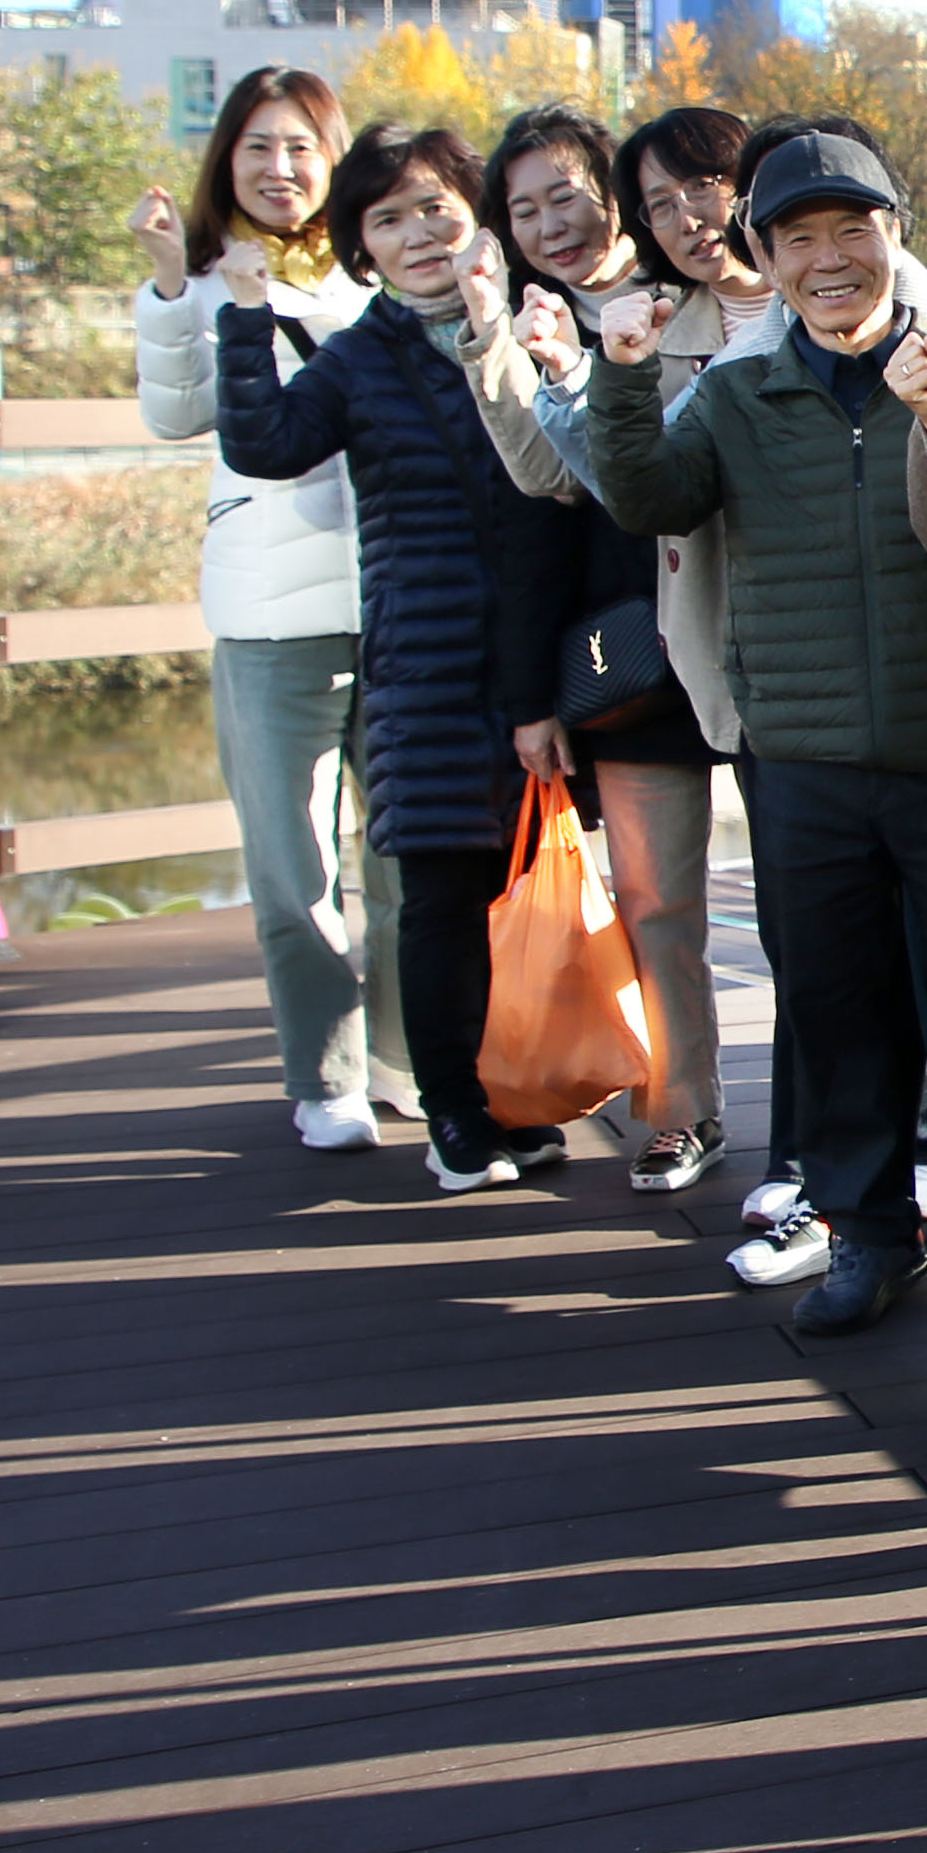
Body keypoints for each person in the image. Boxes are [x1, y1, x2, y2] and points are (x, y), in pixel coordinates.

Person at [578, 128, 927, 1339]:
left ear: (896, 238)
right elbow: (648, 498)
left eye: (854, 229)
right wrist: (626, 376)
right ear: (766, 258)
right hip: (799, 756)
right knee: (837, 1010)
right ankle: (867, 1239)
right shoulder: (738, 391)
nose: (829, 259)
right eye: (798, 239)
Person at [209, 122, 585, 1195]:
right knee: (437, 894)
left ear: (475, 217)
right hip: (422, 663)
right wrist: (244, 317)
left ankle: (513, 1097)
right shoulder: (359, 356)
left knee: (525, 881)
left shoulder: (528, 322)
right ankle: (454, 1120)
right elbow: (267, 443)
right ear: (359, 247)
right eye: (386, 219)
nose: (417, 234)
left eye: (434, 208)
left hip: (538, 650)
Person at [129, 66, 397, 1151]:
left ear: (333, 160)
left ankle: (407, 1062)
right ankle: (323, 1075)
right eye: (258, 148)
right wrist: (165, 289)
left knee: (406, 862)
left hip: (399, 602)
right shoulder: (197, 284)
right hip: (267, 611)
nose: (280, 170)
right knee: (293, 867)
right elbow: (175, 415)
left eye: (300, 148)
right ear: (225, 163)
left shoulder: (383, 273)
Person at [465, 104, 722, 1195]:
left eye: (564, 194)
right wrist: (535, 699)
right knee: (653, 899)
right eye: (521, 209)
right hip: (630, 665)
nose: (548, 225)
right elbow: (531, 520)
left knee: (824, 905)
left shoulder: (715, 290)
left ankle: (836, 1138)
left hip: (757, 639)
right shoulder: (531, 329)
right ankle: (680, 1110)